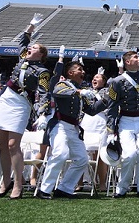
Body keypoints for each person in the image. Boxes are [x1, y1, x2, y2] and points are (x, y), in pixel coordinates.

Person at [35, 61, 107, 199]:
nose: (83, 72)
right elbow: (56, 92)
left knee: (81, 159)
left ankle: (64, 188)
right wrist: (80, 91)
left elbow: (91, 110)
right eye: (79, 69)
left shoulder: (80, 90)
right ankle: (44, 189)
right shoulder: (62, 85)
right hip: (60, 125)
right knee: (60, 154)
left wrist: (106, 100)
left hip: (73, 128)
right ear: (70, 73)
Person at [0, 13, 50, 199]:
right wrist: (31, 26)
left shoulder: (43, 71)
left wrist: (43, 112)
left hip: (21, 104)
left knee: (13, 145)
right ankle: (6, 180)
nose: (30, 48)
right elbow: (22, 41)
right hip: (6, 99)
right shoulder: (22, 58)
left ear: (41, 54)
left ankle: (18, 183)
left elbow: (44, 92)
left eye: (34, 48)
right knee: (2, 143)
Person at [106, 51, 139, 198]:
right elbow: (111, 107)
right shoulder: (116, 82)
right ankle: (122, 188)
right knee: (129, 155)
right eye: (136, 57)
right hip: (126, 120)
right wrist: (111, 130)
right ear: (127, 62)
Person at [77, 71, 110, 192]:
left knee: (99, 155)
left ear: (104, 81)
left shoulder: (107, 91)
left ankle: (101, 183)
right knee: (81, 153)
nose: (94, 79)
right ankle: (79, 183)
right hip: (86, 122)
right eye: (94, 77)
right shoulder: (86, 90)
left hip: (100, 121)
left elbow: (107, 104)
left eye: (98, 77)